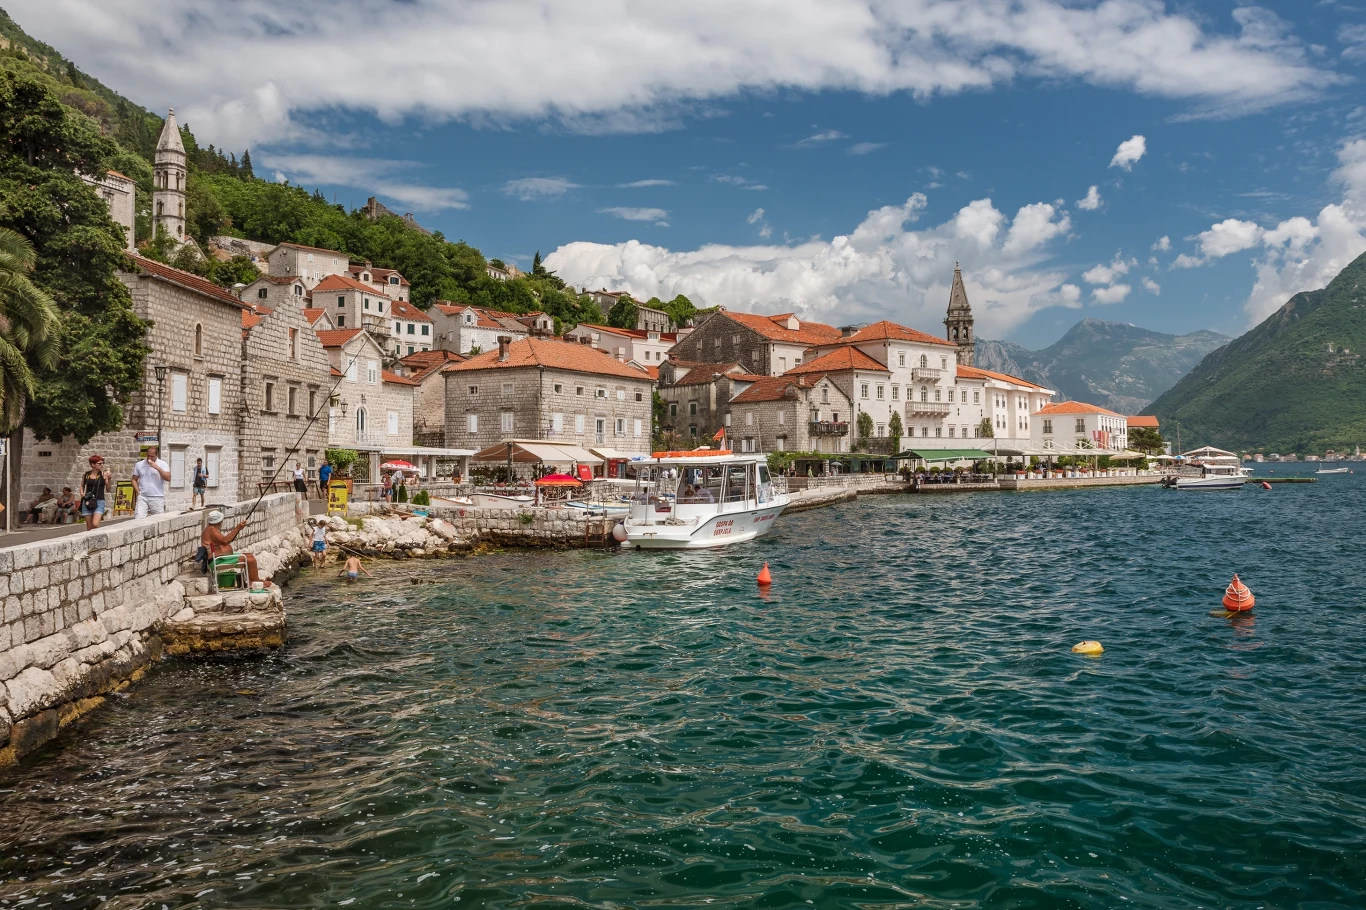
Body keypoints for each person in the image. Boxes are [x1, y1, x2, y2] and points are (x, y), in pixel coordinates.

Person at [201, 509, 268, 587]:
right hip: (217, 561)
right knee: (251, 560)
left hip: (218, 558)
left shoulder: (209, 529)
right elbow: (225, 541)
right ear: (219, 521)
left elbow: (225, 541)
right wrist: (238, 528)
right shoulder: (212, 530)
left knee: (249, 555)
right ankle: (256, 583)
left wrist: (238, 529)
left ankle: (253, 580)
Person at [132, 445, 171, 519]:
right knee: (138, 519)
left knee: (158, 520)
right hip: (143, 497)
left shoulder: (162, 464)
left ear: (157, 455)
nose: (149, 458)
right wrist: (138, 492)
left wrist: (157, 468)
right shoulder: (139, 465)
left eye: (152, 456)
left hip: (157, 497)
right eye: (148, 456)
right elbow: (134, 479)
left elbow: (168, 478)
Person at [81, 454, 112, 529]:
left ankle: (99, 538)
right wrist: (82, 494)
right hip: (87, 501)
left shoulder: (103, 474)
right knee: (89, 526)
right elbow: (82, 485)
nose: (102, 465)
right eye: (100, 463)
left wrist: (109, 479)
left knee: (95, 524)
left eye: (103, 463)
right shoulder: (86, 474)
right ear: (92, 464)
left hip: (99, 500)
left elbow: (108, 489)